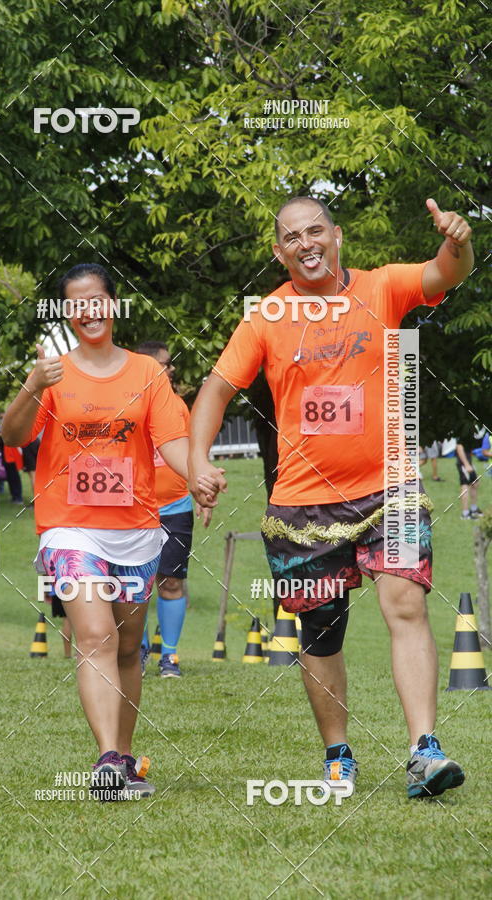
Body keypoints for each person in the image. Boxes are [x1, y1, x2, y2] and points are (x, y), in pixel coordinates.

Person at [189, 195, 474, 799]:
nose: (305, 243)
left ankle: (424, 751)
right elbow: (215, 390)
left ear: (336, 235)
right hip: (303, 504)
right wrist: (197, 461)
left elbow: (446, 273)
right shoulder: (265, 315)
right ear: (279, 251)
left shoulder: (382, 288)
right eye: (292, 237)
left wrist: (457, 241)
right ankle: (337, 754)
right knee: (322, 631)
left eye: (315, 230)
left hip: (389, 487)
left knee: (406, 606)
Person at [2, 263, 208, 800]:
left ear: (113, 306)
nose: (89, 311)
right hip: (70, 530)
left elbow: (171, 445)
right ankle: (108, 760)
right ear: (67, 313)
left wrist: (199, 473)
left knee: (128, 648)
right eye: (77, 303)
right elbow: (14, 433)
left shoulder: (147, 373)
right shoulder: (52, 374)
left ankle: (123, 760)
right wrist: (29, 387)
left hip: (137, 530)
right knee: (95, 637)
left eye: (97, 300)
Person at [136, 340, 203, 678]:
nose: (171, 368)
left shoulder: (178, 406)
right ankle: (138, 651)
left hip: (175, 507)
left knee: (171, 582)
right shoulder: (127, 405)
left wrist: (202, 491)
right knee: (135, 585)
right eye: (165, 363)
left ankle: (170, 657)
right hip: (133, 509)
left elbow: (192, 454)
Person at [455, 433, 483, 519]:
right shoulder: (462, 432)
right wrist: (466, 464)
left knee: (475, 484)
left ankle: (473, 509)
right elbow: (459, 447)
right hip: (464, 464)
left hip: (468, 463)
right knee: (465, 486)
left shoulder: (468, 432)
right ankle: (465, 513)